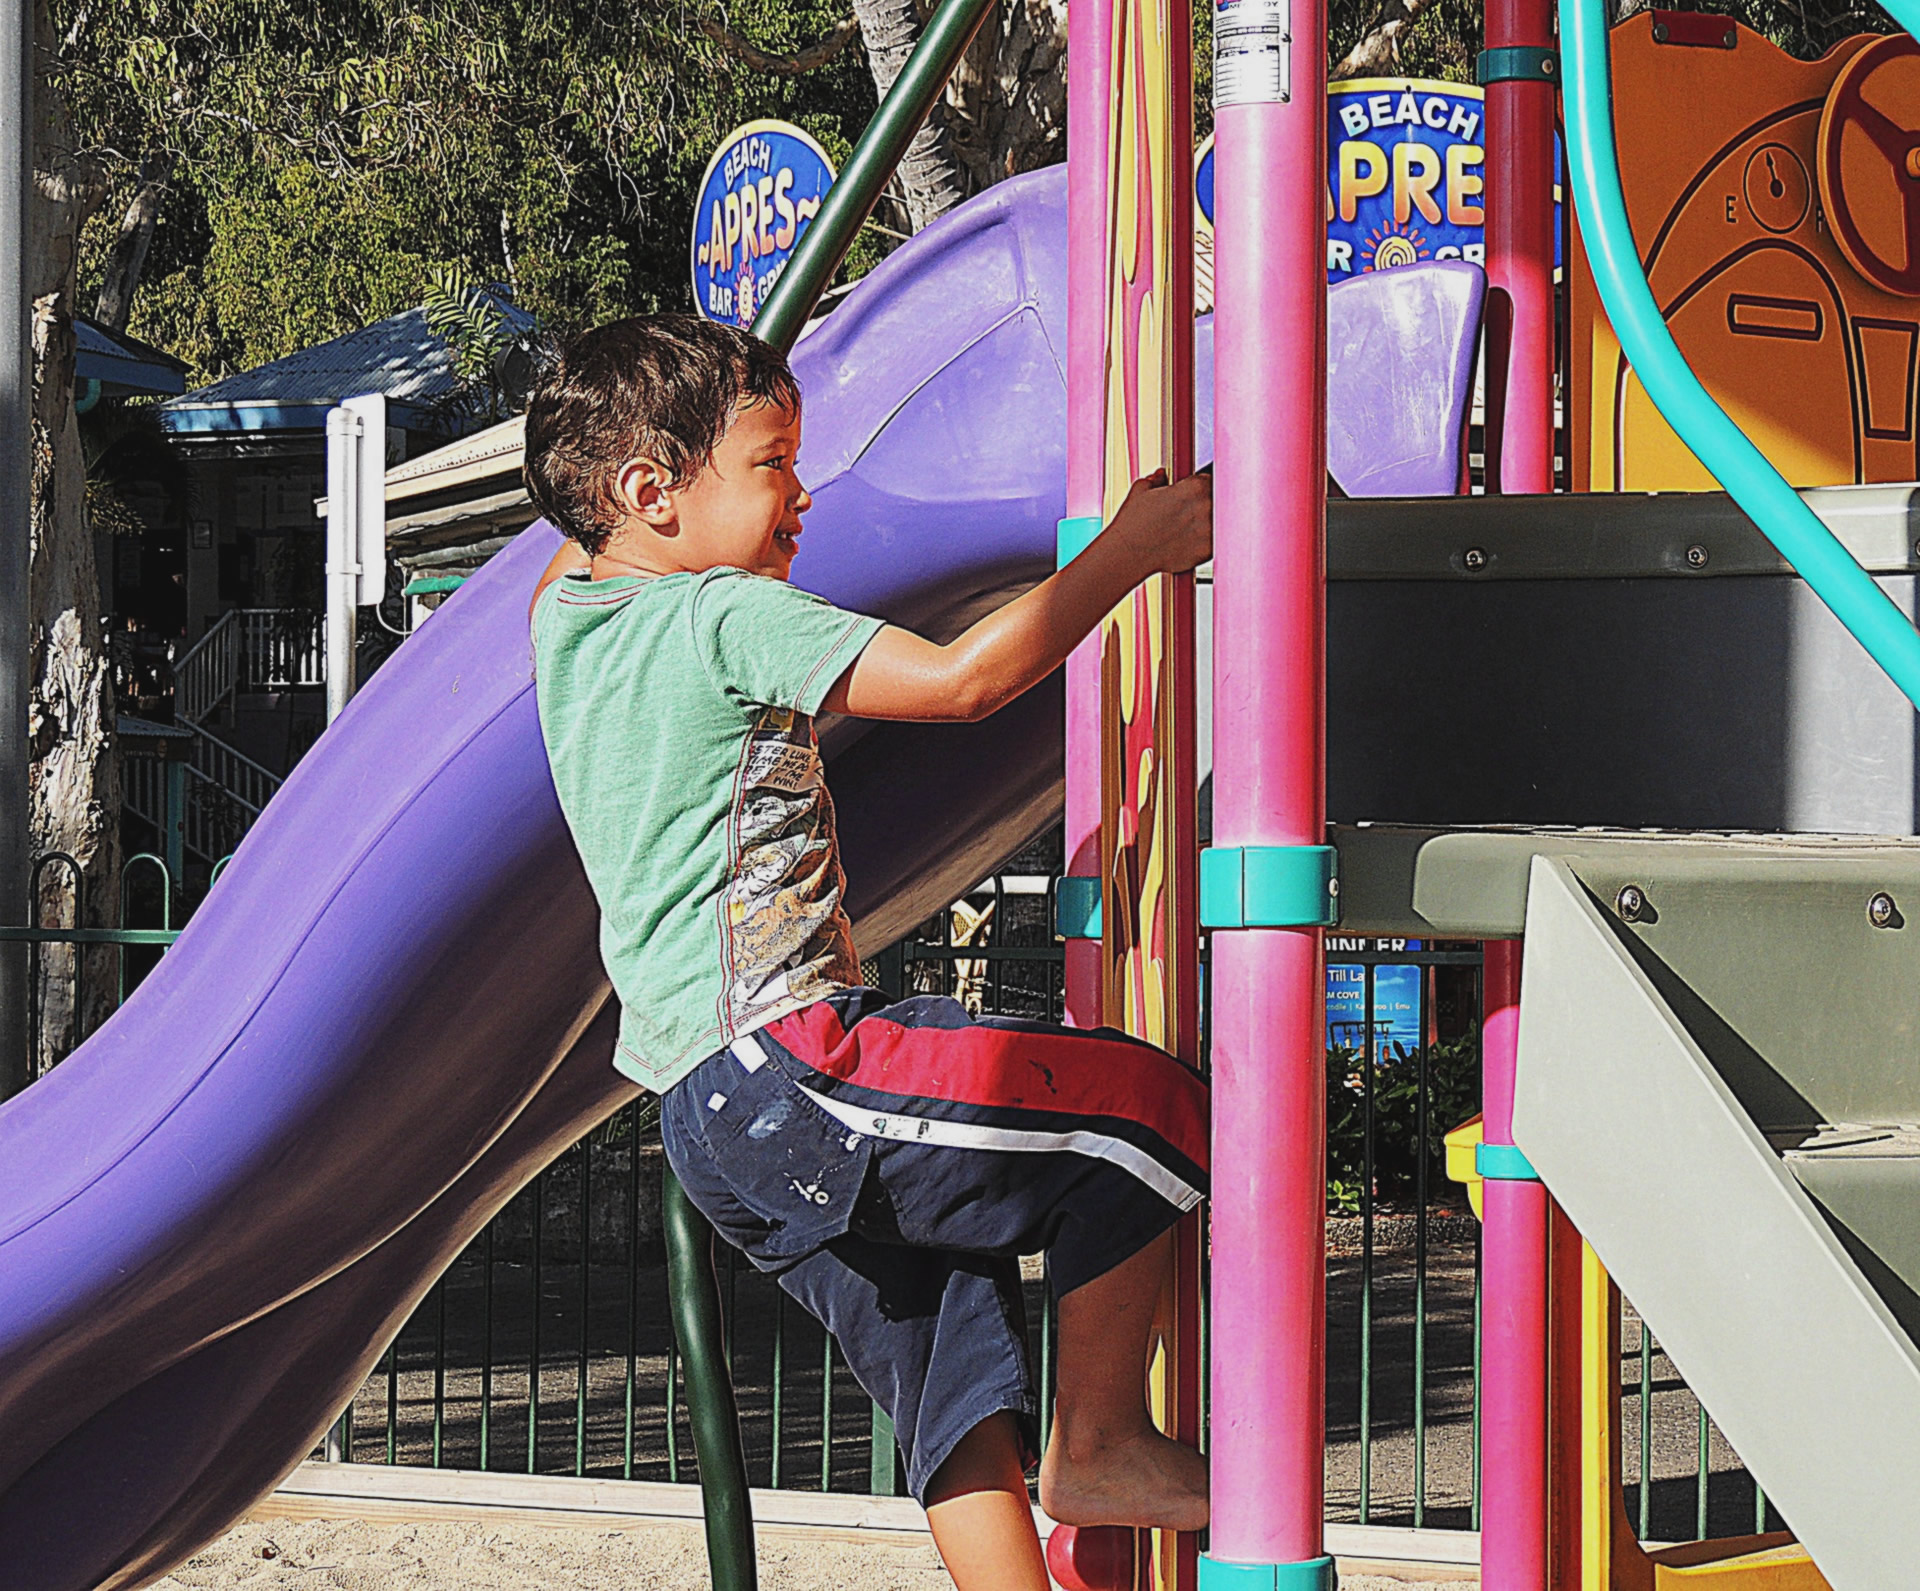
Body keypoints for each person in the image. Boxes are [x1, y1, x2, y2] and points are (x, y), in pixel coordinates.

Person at [526, 314, 1212, 1591]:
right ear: (648, 493)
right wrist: (1136, 548)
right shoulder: (718, 616)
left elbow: (575, 542)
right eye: (773, 461)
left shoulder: (563, 620)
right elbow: (961, 684)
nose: (800, 493)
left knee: (948, 1362)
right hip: (794, 1061)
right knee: (1153, 1108)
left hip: (704, 1117)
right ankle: (1105, 1441)